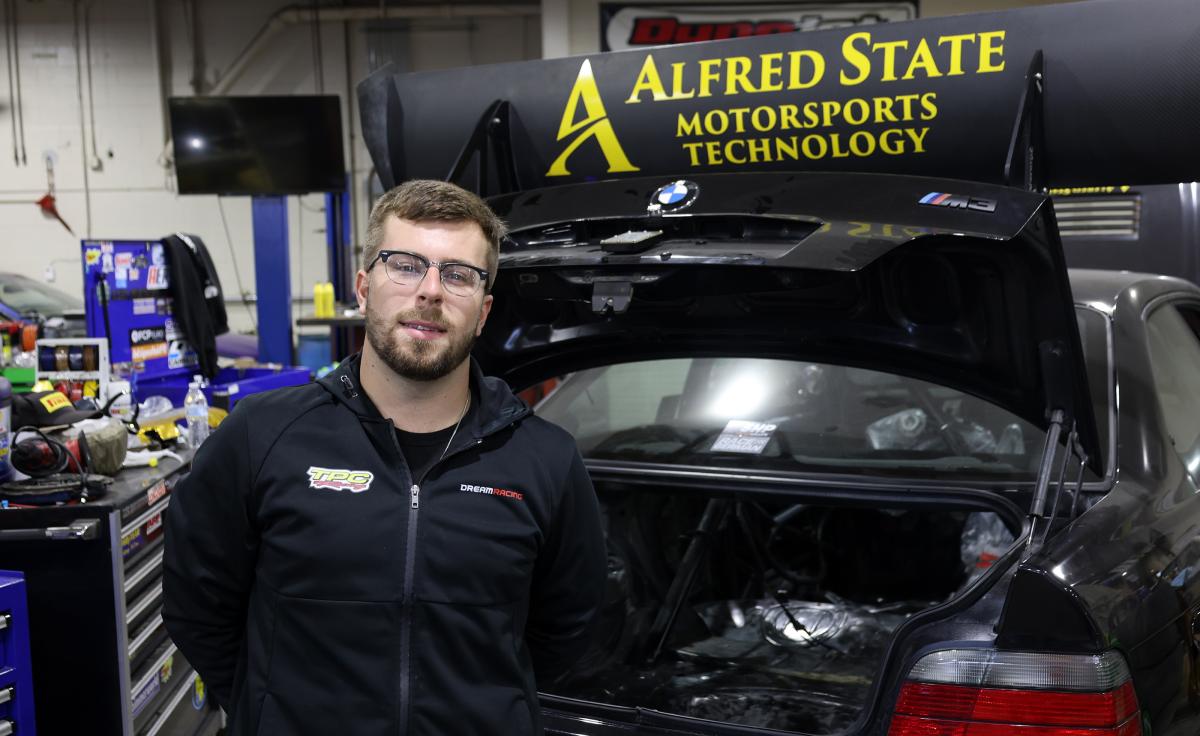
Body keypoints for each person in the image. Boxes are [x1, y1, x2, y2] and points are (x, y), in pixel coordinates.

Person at [163, 179, 607, 736]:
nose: (430, 291)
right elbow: (196, 604)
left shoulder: (545, 459)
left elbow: (567, 629)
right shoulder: (262, 434)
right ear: (364, 286)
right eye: (405, 265)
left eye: (458, 274)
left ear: (485, 309)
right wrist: (269, 708)